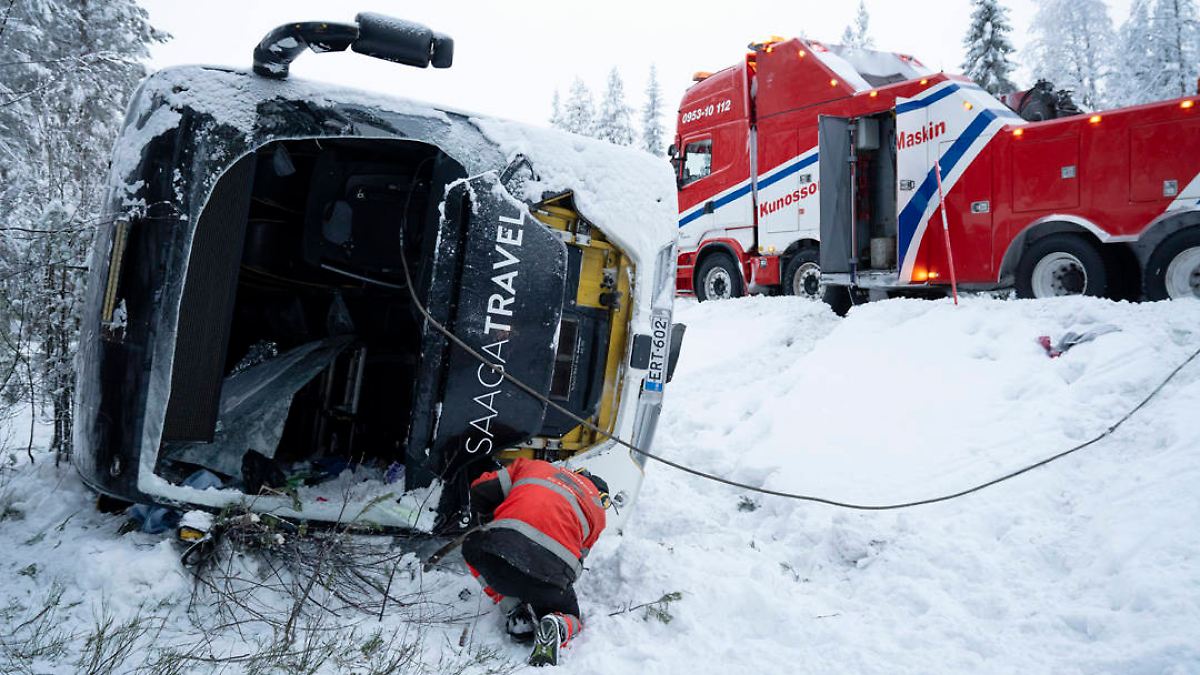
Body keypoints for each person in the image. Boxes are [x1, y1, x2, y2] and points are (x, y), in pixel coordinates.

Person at [461, 457, 610, 667]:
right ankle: (559, 625)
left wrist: (489, 520)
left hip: (498, 555)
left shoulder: (535, 466)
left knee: (472, 545)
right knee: (571, 616)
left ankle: (515, 612)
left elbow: (480, 488)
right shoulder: (598, 513)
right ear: (600, 494)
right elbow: (577, 557)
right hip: (547, 577)